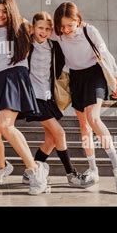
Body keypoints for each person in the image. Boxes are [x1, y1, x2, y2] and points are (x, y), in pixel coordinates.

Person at [51, 2, 117, 194]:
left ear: (78, 20)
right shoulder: (58, 33)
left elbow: (105, 53)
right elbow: (36, 27)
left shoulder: (90, 31)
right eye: (62, 26)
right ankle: (93, 169)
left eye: (69, 25)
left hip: (94, 75)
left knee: (93, 118)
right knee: (84, 126)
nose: (65, 29)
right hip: (75, 78)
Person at [0, 0, 49, 195]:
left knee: (5, 126)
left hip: (15, 75)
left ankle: (34, 170)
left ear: (11, 12)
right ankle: (2, 167)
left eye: (4, 11)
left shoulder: (22, 26)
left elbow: (46, 31)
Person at [23, 11, 95, 188]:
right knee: (60, 133)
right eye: (40, 27)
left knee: (51, 140)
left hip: (48, 97)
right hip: (33, 97)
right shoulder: (25, 44)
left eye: (48, 29)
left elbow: (67, 57)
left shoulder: (54, 47)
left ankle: (29, 173)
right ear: (33, 28)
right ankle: (71, 175)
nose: (44, 31)